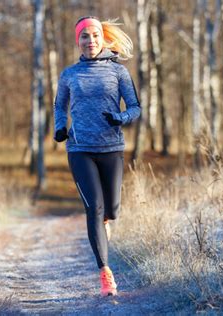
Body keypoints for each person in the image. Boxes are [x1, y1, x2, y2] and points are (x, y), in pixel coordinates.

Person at [53, 16, 141, 297]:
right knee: (95, 209)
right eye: (83, 37)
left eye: (93, 36)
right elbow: (59, 106)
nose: (89, 41)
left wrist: (120, 117)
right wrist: (59, 128)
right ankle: (105, 274)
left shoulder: (118, 72)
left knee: (111, 210)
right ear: (77, 41)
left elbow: (136, 107)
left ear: (102, 38)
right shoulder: (69, 74)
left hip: (111, 148)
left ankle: (104, 225)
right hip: (80, 149)